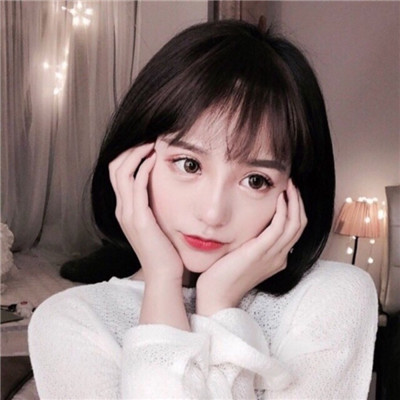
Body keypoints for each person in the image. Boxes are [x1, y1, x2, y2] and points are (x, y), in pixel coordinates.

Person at [28, 20, 378, 399]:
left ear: (294, 193)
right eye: (189, 164)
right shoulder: (72, 321)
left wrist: (219, 304)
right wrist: (162, 281)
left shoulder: (331, 297)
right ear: (133, 162)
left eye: (256, 180)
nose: (213, 214)